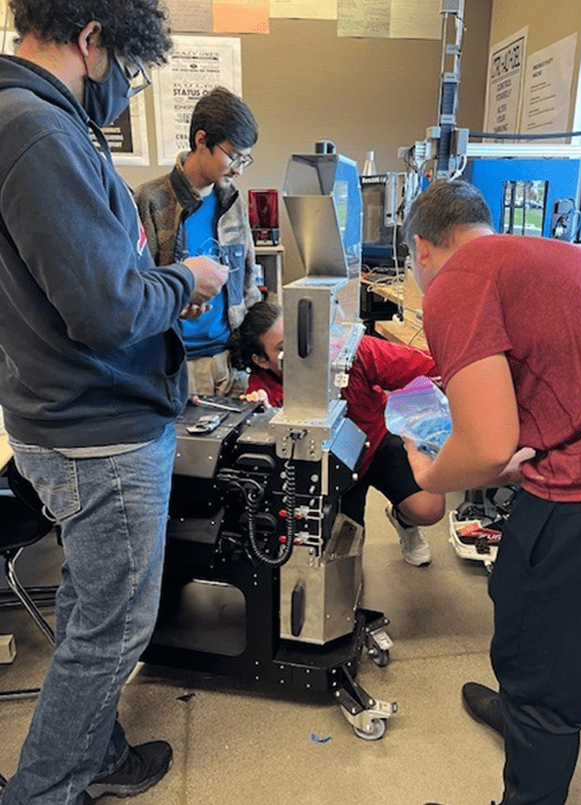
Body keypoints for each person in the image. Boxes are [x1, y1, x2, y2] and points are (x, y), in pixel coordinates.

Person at [0, 2, 225, 803]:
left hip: (74, 413)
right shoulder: (37, 132)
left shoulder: (40, 120)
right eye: (129, 69)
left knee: (99, 604)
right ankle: (45, 789)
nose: (127, 89)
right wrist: (185, 283)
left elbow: (90, 281)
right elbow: (103, 311)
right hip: (99, 430)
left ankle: (95, 753)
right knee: (111, 629)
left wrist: (157, 291)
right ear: (92, 39)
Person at [400, 179, 581, 805]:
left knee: (548, 676)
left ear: (421, 247)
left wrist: (429, 472)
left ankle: (531, 736)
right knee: (518, 595)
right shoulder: (561, 256)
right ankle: (517, 706)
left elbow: (486, 449)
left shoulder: (456, 284)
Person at [227, 301, 446, 565]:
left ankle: (404, 522)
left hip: (374, 442)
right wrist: (262, 415)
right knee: (340, 558)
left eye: (302, 340)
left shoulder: (349, 352)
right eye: (284, 350)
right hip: (330, 472)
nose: (303, 355)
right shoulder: (264, 392)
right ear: (261, 360)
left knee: (429, 509)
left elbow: (422, 367)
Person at [135, 86, 262, 398]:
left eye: (246, 159)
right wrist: (175, 305)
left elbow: (248, 281)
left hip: (231, 365)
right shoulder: (150, 200)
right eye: (233, 156)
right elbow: (136, 290)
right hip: (177, 366)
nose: (238, 169)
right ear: (201, 140)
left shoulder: (234, 203)